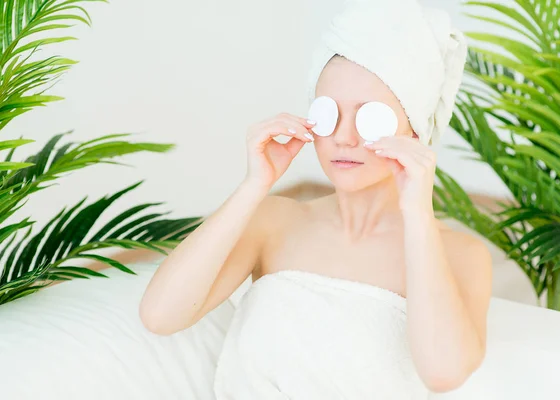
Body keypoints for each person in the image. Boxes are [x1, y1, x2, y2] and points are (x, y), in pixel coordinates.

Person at [139, 1, 493, 398]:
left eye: (369, 118)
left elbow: (443, 373)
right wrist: (254, 184)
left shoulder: (459, 254)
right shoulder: (273, 222)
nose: (343, 137)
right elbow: (160, 316)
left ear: (414, 131)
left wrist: (418, 216)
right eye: (328, 113)